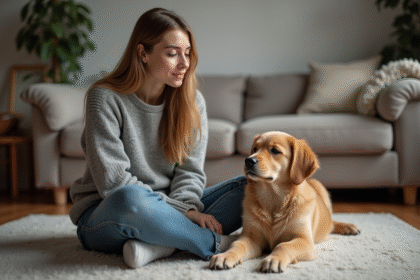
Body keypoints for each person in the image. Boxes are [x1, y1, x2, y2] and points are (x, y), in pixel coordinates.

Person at [69, 7, 246, 269]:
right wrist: (186, 213)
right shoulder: (104, 98)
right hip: (109, 212)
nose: (184, 63)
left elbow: (191, 173)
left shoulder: (192, 101)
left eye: (187, 53)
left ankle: (155, 246)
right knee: (131, 198)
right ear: (143, 53)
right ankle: (218, 243)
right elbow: (114, 183)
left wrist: (186, 207)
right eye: (173, 53)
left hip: (171, 205)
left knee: (251, 187)